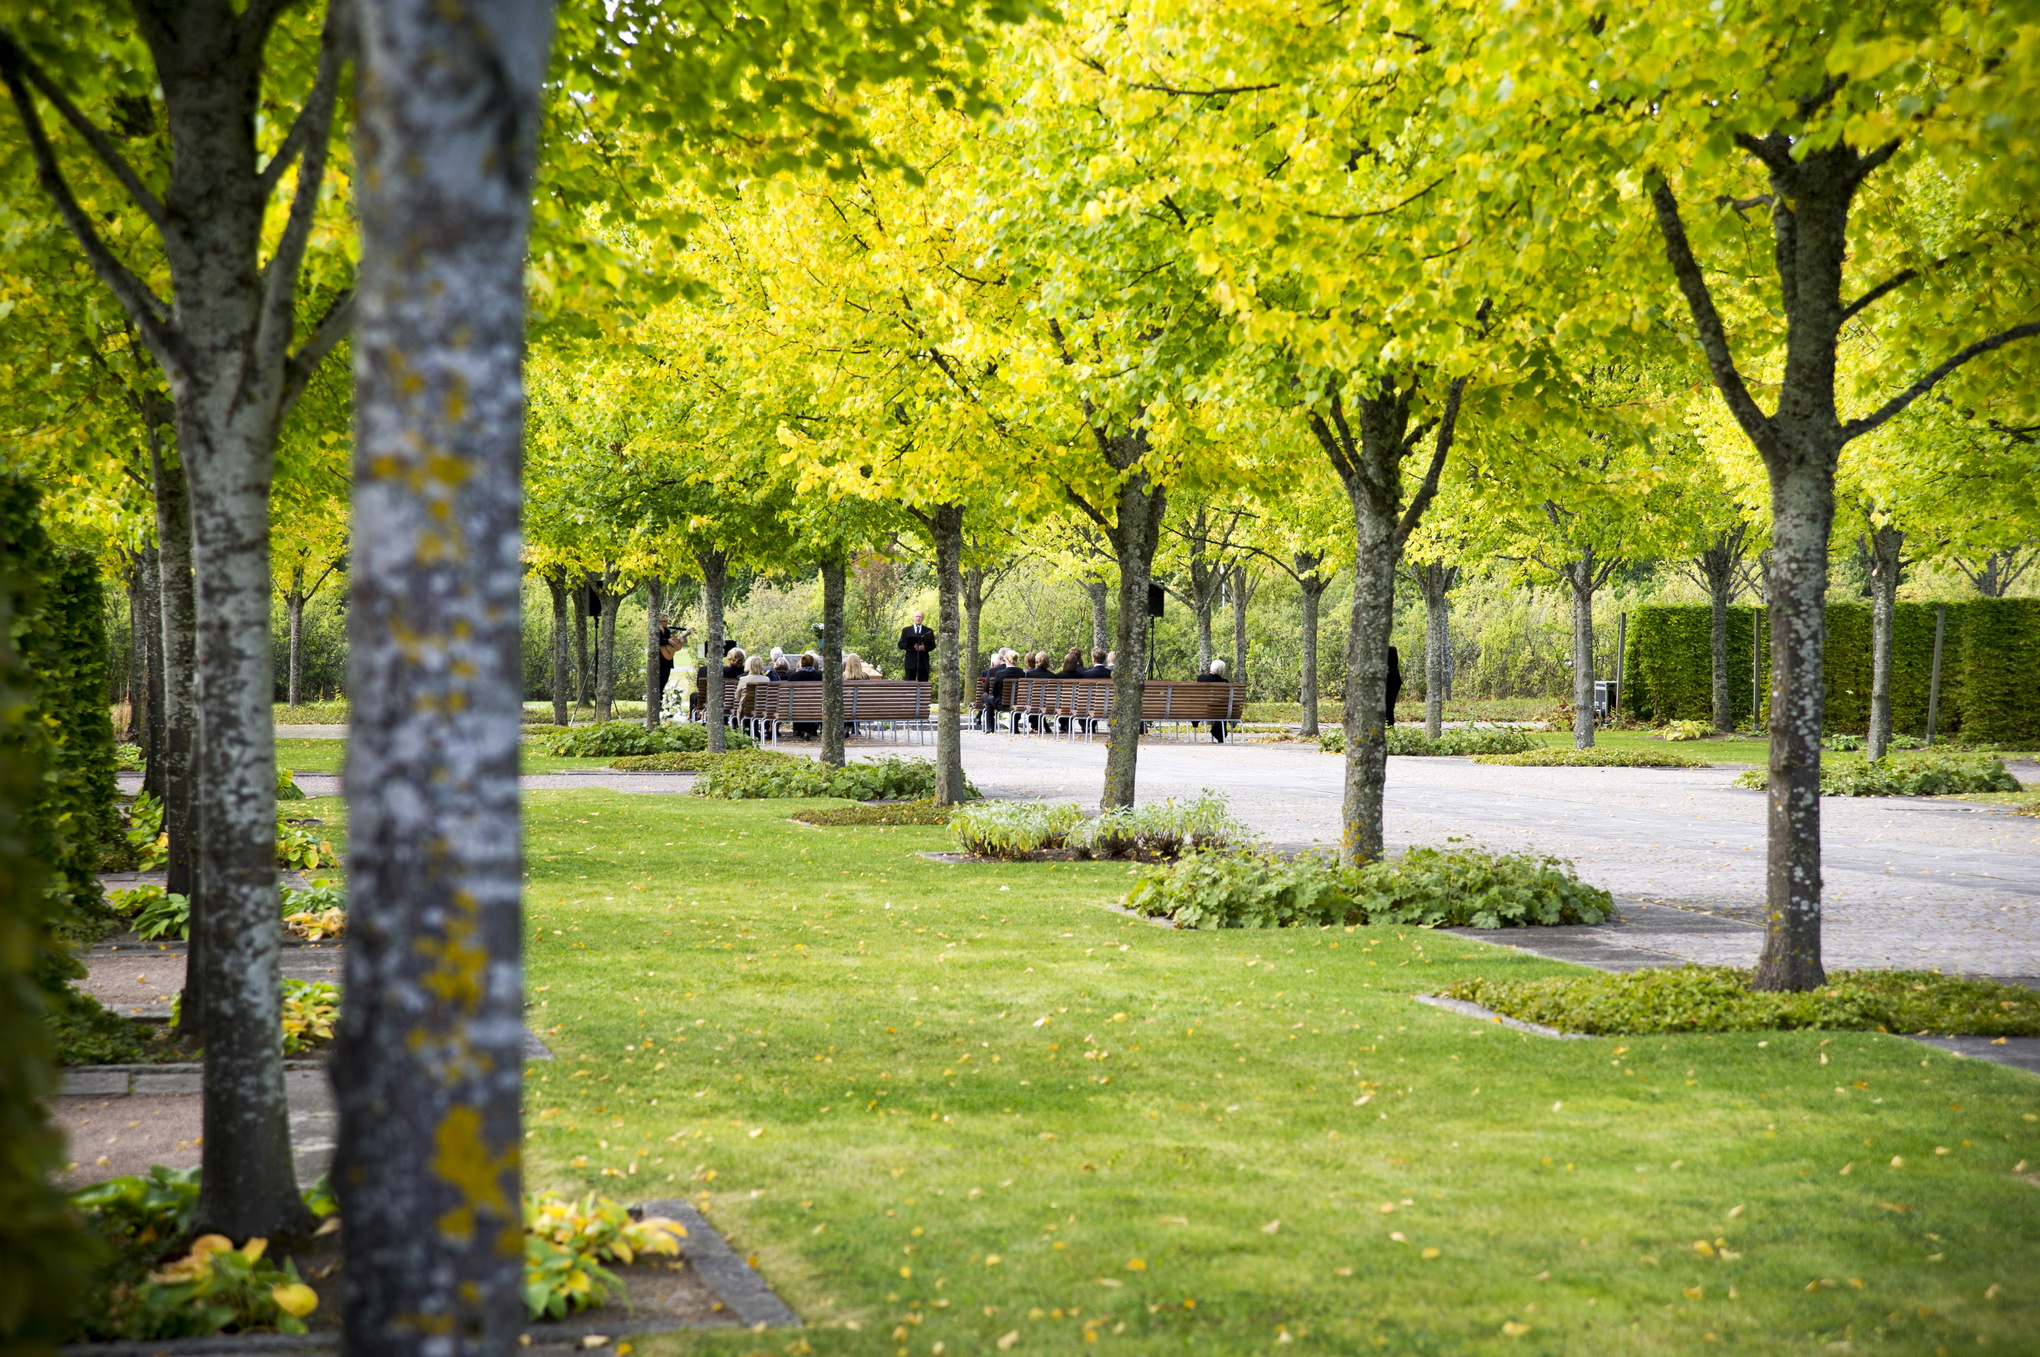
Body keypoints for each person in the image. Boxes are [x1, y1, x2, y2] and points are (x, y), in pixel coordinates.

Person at [1196, 658, 1231, 743]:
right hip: (1219, 711)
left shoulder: (1201, 678)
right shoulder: (1225, 682)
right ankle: (1220, 735)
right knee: (1222, 709)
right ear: (1222, 670)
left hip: (1202, 710)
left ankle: (1218, 733)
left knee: (1220, 709)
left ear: (1211, 668)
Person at [898, 610, 934, 682]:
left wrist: (924, 648)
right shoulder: (906, 630)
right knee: (909, 686)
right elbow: (900, 644)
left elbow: (932, 645)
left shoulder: (928, 631)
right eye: (917, 616)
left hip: (923, 662)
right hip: (910, 663)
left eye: (920, 617)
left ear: (923, 618)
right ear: (913, 618)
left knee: (923, 685)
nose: (918, 618)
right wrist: (911, 646)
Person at [1385, 646, 1402, 726]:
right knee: (1389, 707)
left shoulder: (1384, 651)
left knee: (1387, 707)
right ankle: (1389, 727)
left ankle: (1388, 727)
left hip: (1389, 681)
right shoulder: (1392, 649)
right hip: (1394, 681)